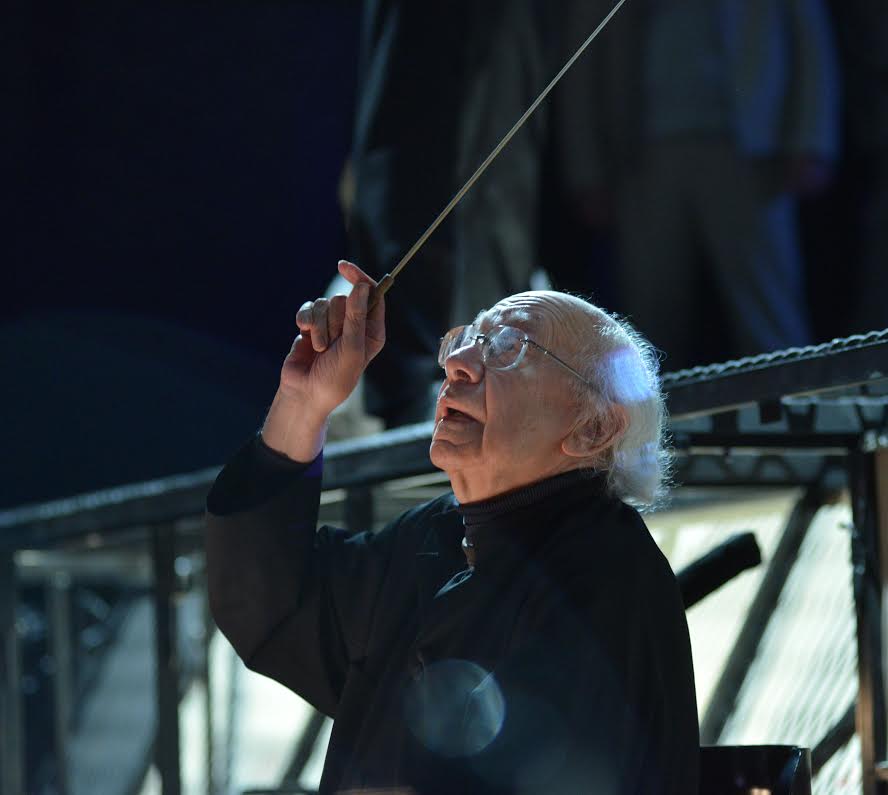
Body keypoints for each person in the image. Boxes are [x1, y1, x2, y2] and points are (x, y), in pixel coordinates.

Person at [205, 260, 699, 794]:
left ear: (593, 429)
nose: (458, 364)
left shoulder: (607, 574)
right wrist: (304, 403)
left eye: (508, 347)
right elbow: (268, 604)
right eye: (465, 341)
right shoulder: (436, 532)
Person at [557, 0, 841, 369]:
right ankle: (648, 404)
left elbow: (810, 41)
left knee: (768, 304)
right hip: (643, 154)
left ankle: (793, 397)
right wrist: (586, 171)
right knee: (650, 309)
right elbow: (582, 66)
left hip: (747, 150)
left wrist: (812, 140)